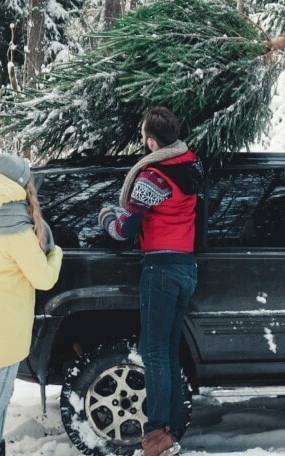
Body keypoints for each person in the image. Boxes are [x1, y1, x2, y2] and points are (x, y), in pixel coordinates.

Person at [98, 107, 202, 456]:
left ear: (152, 141)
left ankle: (157, 434)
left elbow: (123, 230)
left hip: (160, 269)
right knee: (168, 351)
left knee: (154, 352)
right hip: (187, 267)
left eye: (144, 137)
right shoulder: (191, 165)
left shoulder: (152, 179)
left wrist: (106, 216)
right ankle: (169, 431)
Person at [0, 153, 63, 456]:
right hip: (6, 323)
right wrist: (55, 252)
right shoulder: (16, 229)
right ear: (19, 183)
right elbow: (43, 278)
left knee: (2, 391)